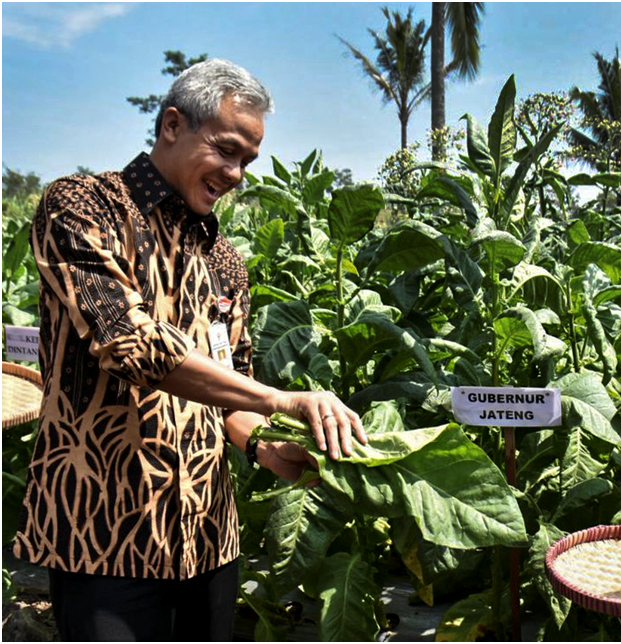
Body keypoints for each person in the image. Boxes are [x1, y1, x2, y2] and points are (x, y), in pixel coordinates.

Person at [13, 59, 366, 642]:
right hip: (103, 534)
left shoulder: (225, 258)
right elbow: (133, 344)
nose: (236, 173)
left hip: (206, 536)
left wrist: (264, 443)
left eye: (247, 161)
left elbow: (233, 386)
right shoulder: (82, 207)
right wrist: (283, 400)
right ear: (172, 125)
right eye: (226, 151)